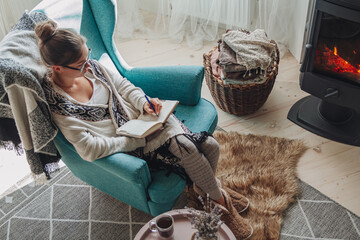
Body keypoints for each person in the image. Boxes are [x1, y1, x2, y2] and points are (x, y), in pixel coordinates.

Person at [35, 20, 252, 239]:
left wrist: (144, 102)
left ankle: (205, 192)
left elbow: (123, 86)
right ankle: (221, 203)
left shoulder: (94, 68)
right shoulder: (61, 107)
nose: (89, 65)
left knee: (211, 146)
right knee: (187, 148)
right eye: (81, 64)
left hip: (145, 120)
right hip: (130, 142)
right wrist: (134, 141)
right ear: (57, 68)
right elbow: (88, 149)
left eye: (88, 56)